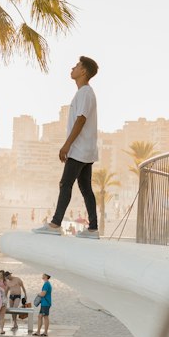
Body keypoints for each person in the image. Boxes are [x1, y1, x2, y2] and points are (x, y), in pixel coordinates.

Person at [33, 56, 100, 238]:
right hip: (84, 149)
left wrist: (67, 145)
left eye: (77, 66)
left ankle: (55, 225)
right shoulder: (84, 93)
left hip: (79, 149)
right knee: (85, 188)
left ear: (84, 71)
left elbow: (81, 120)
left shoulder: (85, 92)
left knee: (65, 184)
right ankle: (93, 229)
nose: (73, 67)